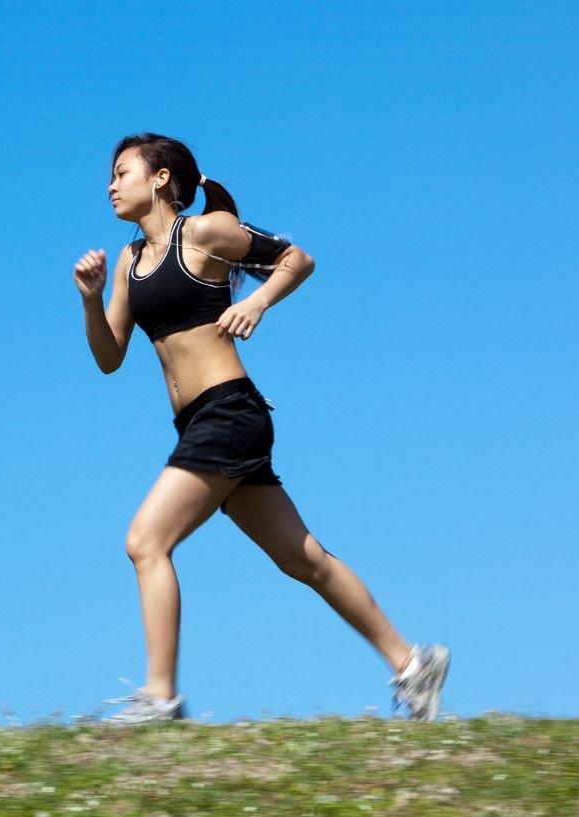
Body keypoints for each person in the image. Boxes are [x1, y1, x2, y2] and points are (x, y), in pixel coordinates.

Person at [72, 133, 450, 726]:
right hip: (200, 423)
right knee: (305, 561)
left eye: (122, 172)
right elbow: (109, 356)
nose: (110, 184)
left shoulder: (202, 234)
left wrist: (258, 303)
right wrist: (93, 302)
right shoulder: (128, 261)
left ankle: (159, 697)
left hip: (229, 413)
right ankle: (412, 663)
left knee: (146, 541)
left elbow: (297, 258)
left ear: (161, 178)